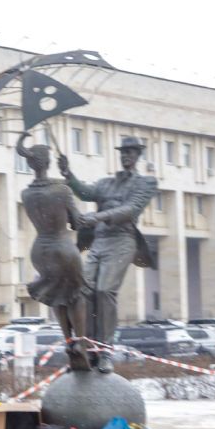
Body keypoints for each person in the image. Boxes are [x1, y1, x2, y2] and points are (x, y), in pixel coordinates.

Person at [58, 135, 157, 373]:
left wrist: (98, 217)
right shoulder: (105, 184)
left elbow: (130, 209)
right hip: (99, 241)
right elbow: (85, 192)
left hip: (123, 240)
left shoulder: (146, 183)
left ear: (138, 156)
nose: (126, 156)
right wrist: (68, 174)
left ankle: (105, 351)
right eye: (123, 152)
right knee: (83, 291)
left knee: (104, 291)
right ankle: (87, 348)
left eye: (131, 152)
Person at [15, 135, 90, 371]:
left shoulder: (26, 194)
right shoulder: (61, 189)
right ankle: (81, 343)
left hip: (39, 250)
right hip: (62, 246)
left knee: (57, 296)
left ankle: (68, 341)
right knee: (76, 295)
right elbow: (77, 222)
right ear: (48, 162)